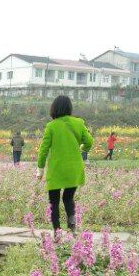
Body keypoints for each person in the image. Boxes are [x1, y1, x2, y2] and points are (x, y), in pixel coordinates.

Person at [36, 95, 93, 232]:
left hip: (56, 170)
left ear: (54, 108)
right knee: (68, 198)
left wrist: (40, 169)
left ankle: (57, 233)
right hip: (74, 169)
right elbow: (89, 142)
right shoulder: (78, 123)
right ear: (69, 108)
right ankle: (72, 227)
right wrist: (82, 148)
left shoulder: (51, 126)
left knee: (53, 202)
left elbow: (43, 150)